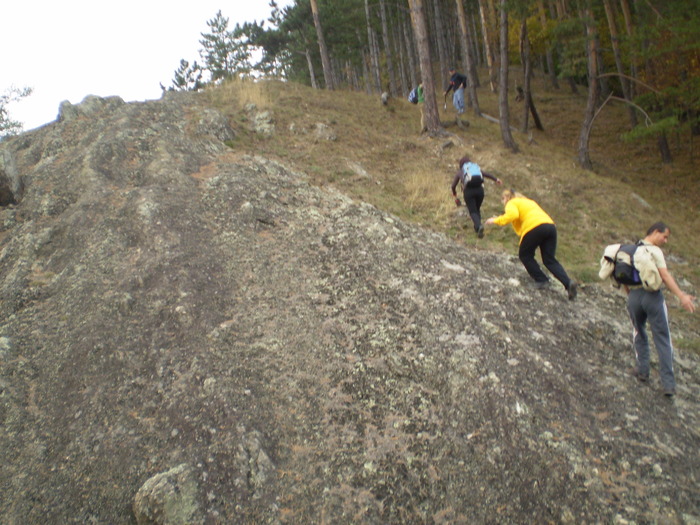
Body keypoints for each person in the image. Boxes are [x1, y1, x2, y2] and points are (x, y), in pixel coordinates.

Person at [624, 222, 695, 397]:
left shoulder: (631, 249)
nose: (665, 240)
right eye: (664, 236)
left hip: (634, 296)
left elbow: (623, 274)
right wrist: (681, 296)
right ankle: (668, 385)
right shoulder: (654, 251)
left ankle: (642, 370)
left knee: (638, 331)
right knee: (662, 338)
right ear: (655, 232)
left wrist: (630, 294)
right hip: (652, 296)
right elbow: (664, 275)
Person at [485, 189, 577, 300]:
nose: (503, 202)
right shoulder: (529, 202)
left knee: (525, 255)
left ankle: (541, 280)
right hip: (550, 226)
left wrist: (495, 220)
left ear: (508, 197)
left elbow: (512, 215)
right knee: (549, 260)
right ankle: (568, 283)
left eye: (503, 199)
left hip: (534, 227)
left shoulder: (512, 202)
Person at [450, 156, 502, 238]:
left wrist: (454, 193)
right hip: (480, 190)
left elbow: (453, 186)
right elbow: (486, 174)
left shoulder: (461, 171)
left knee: (473, 211)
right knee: (477, 209)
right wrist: (496, 179)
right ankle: (478, 230)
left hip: (469, 192)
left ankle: (479, 226)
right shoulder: (475, 169)